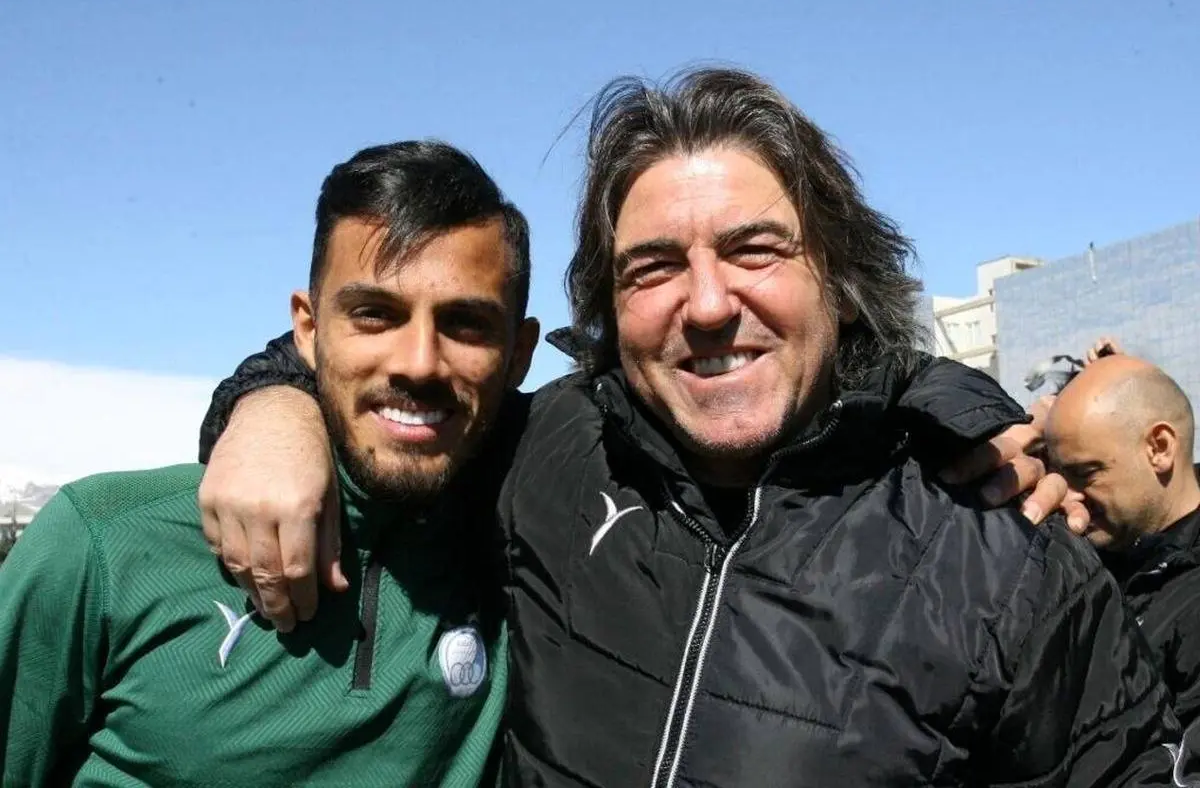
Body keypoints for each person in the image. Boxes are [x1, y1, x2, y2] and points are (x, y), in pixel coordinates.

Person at [198, 69, 1184, 785]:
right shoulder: (546, 451)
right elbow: (402, 380)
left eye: (755, 250)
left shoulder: (1008, 552)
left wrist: (954, 404)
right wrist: (271, 407)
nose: (707, 304)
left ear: (838, 279)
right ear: (609, 308)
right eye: (655, 266)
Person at [0, 140, 538, 786]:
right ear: (308, 329)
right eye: (374, 315)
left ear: (519, 353)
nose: (418, 362)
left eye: (466, 324)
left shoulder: (541, 547)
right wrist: (270, 401)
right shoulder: (103, 545)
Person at [1045, 354, 1200, 729]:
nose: (1068, 497)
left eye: (1085, 473)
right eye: (1059, 474)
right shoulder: (1081, 555)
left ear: (1159, 448)